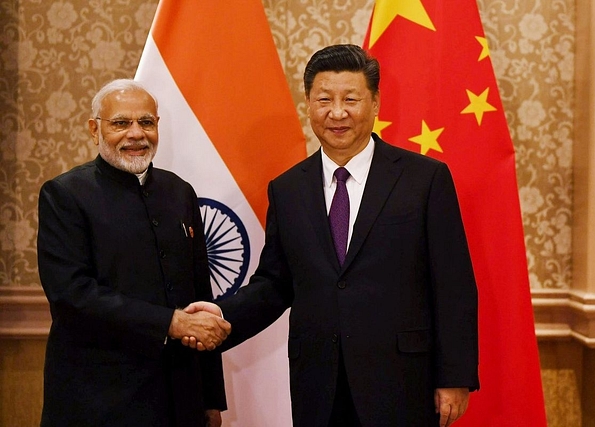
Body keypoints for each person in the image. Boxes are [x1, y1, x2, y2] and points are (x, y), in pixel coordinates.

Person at [186, 44, 479, 427]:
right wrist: (223, 314)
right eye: (324, 99)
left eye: (351, 99)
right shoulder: (288, 189)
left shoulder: (424, 179)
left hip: (402, 380)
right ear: (308, 104)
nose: (337, 113)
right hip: (318, 381)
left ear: (374, 103)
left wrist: (454, 377)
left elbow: (453, 284)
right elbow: (275, 283)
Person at [37, 79, 231, 427]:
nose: (136, 134)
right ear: (95, 130)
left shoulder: (179, 192)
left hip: (179, 398)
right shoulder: (65, 195)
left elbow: (199, 294)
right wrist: (169, 322)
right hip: (99, 400)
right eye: (121, 123)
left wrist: (210, 399)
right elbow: (71, 296)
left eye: (146, 122)